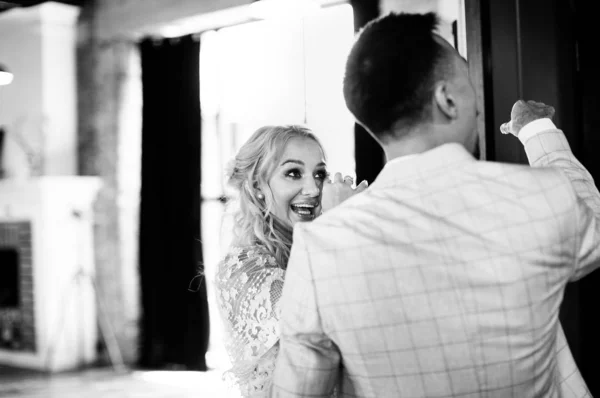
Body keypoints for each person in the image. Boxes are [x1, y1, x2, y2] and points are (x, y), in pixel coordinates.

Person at [270, 12, 598, 397]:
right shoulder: (543, 197)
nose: (477, 105)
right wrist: (538, 129)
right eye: (467, 78)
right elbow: (590, 214)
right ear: (446, 99)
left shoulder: (319, 248)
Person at [214, 125, 367, 397]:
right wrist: (337, 226)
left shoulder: (315, 247)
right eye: (293, 173)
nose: (313, 188)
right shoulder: (242, 268)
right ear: (257, 185)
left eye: (320, 174)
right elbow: (313, 316)